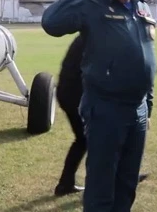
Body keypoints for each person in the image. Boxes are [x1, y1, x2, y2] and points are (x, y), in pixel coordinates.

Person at [41, 0, 157, 212]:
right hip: (105, 110)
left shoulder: (141, 7)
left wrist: (149, 101)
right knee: (101, 193)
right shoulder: (93, 6)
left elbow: (147, 58)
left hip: (137, 110)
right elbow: (51, 22)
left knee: (126, 189)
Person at [54, 34, 149, 197]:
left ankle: (65, 184)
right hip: (78, 96)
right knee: (104, 140)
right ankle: (115, 182)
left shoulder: (91, 35)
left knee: (84, 140)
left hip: (68, 93)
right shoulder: (100, 38)